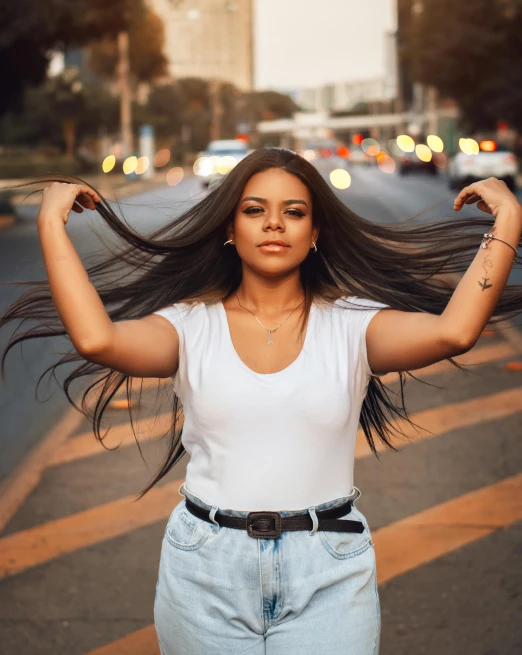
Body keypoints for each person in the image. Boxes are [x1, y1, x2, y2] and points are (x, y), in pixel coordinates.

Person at [2, 147, 521, 654]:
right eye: (255, 211)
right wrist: (51, 223)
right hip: (205, 567)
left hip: (329, 567)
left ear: (314, 233)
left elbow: (456, 332)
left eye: (293, 212)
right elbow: (98, 340)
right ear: (230, 229)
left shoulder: (354, 326)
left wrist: (508, 218)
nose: (274, 224)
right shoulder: (188, 326)